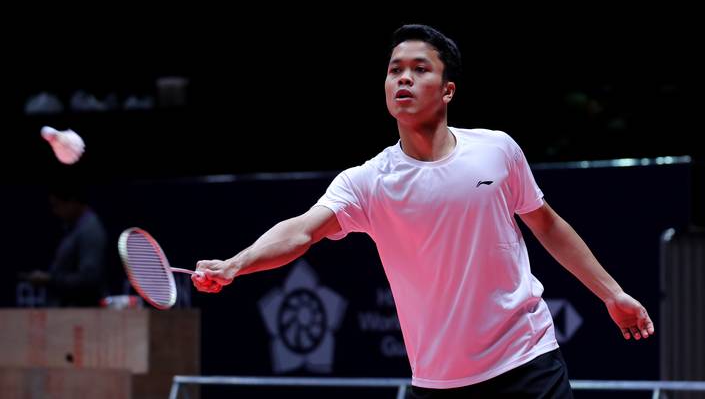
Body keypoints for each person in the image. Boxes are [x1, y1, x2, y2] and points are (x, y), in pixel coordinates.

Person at [191, 24, 654, 398]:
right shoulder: (368, 181)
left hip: (527, 362)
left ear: (448, 89)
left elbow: (547, 225)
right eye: (395, 71)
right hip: (438, 380)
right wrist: (237, 264)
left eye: (419, 69)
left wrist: (611, 293)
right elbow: (300, 232)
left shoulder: (497, 150)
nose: (404, 78)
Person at [24, 181, 108, 307]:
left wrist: (50, 279)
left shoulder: (90, 230)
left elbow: (89, 279)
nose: (55, 211)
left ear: (73, 202)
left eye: (57, 205)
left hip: (81, 315)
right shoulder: (75, 228)